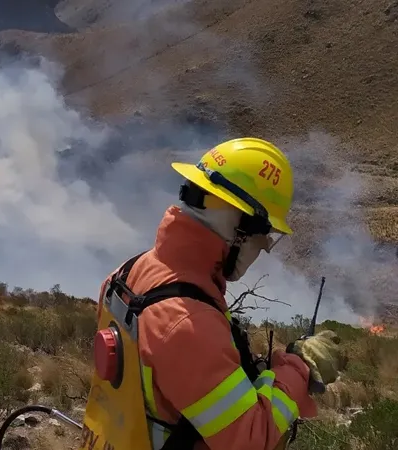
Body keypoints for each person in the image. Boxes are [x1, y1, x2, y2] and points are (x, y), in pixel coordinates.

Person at [101, 137, 344, 450]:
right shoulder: (187, 322)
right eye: (264, 235)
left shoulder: (126, 274)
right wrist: (299, 367)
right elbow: (249, 440)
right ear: (238, 226)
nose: (265, 248)